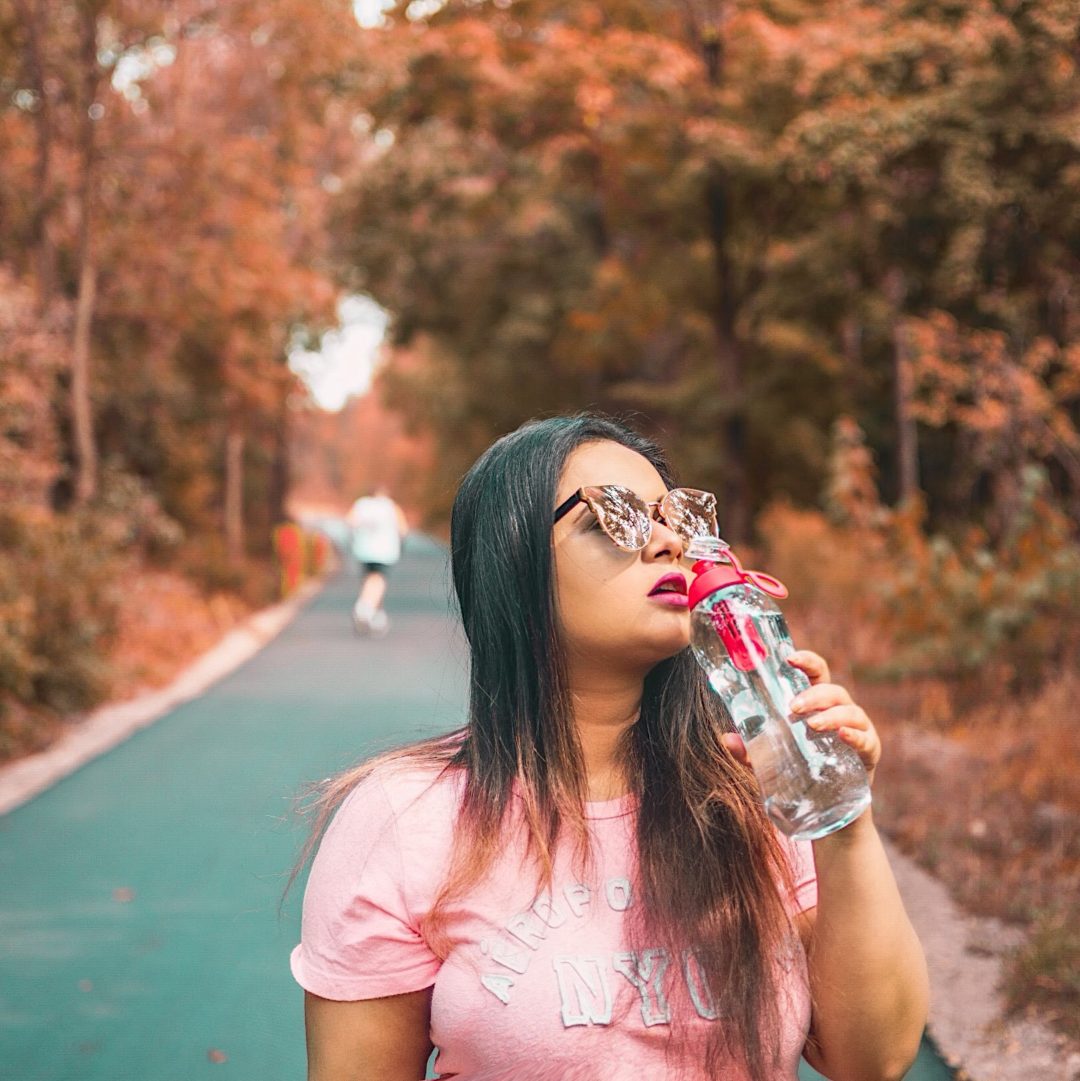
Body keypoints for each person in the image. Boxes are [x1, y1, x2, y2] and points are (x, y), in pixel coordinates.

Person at [291, 414, 929, 1081]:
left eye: (676, 518)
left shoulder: (757, 785)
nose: (666, 543)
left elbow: (874, 1057)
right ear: (515, 562)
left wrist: (843, 819)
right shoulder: (404, 821)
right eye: (614, 517)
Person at [346, 485, 409, 636]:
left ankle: (376, 616)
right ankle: (363, 609)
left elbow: (350, 521)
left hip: (363, 550)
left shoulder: (362, 504)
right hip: (384, 551)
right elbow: (403, 529)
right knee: (378, 581)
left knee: (369, 580)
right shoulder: (391, 507)